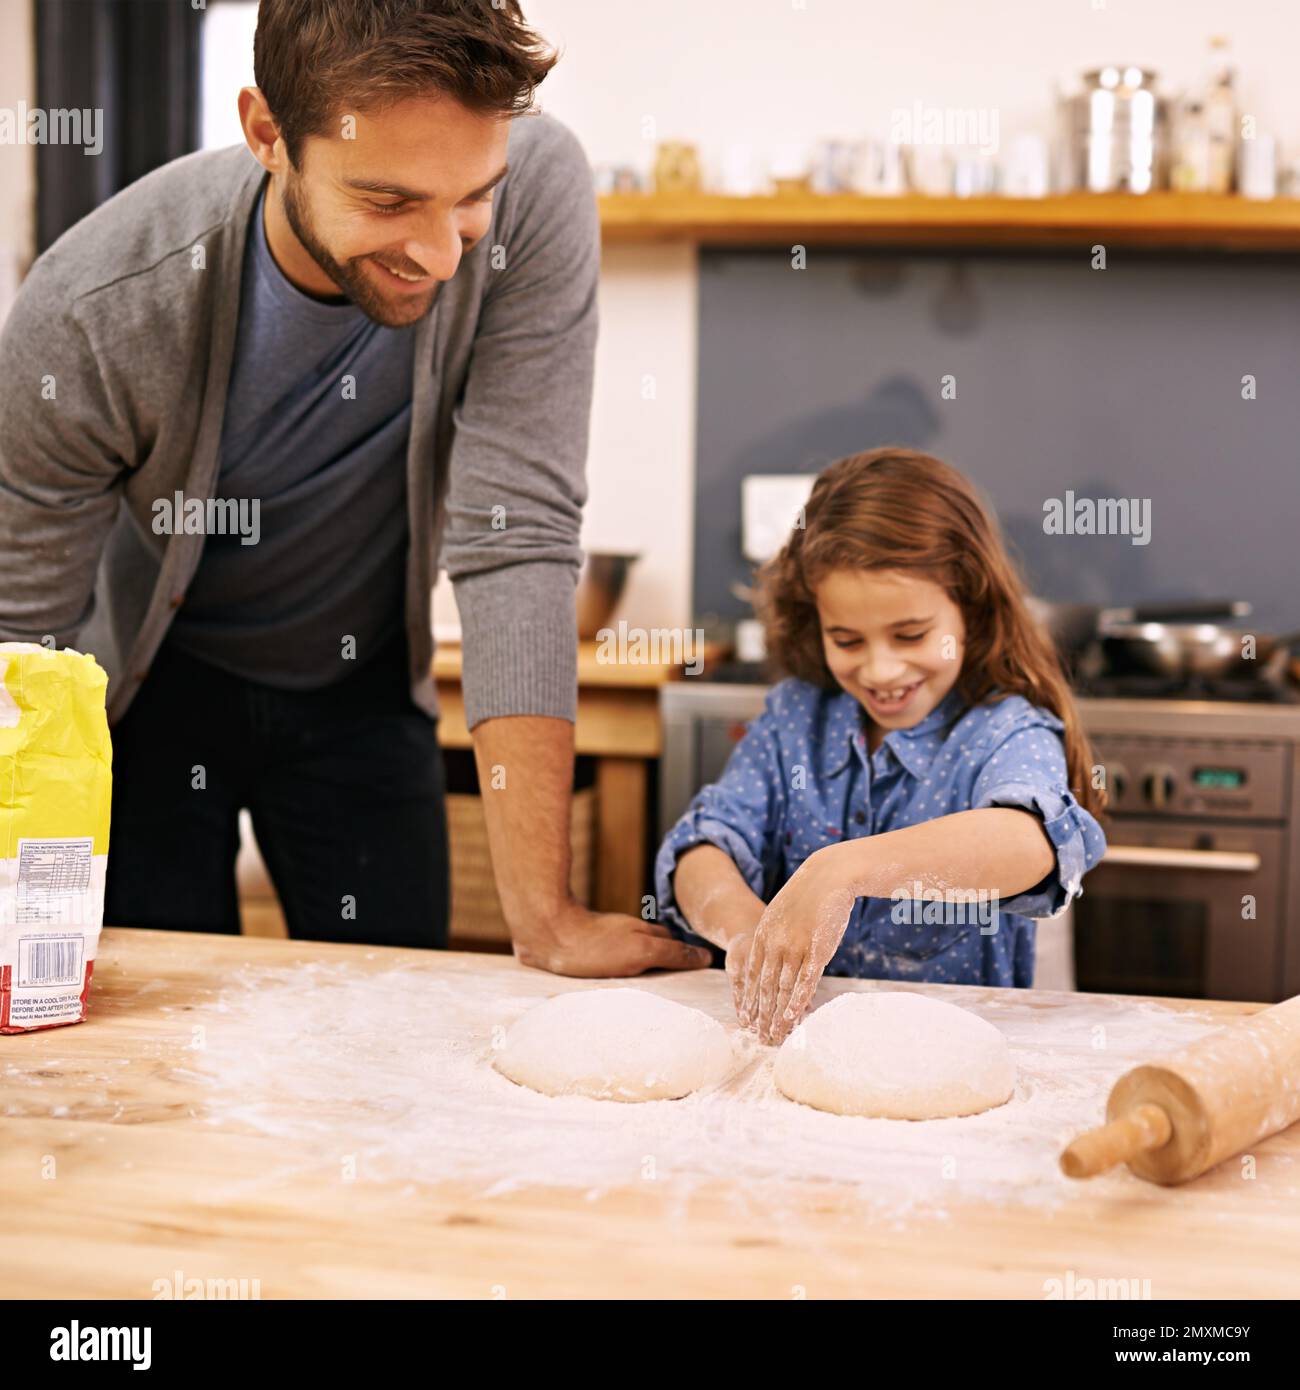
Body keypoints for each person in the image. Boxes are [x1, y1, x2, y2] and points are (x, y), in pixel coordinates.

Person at [0, 0, 708, 979]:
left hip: (362, 681)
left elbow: (517, 528)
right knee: (156, 1027)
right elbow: (20, 644)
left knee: (394, 1025)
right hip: (151, 702)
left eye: (471, 197)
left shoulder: (538, 185)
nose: (444, 253)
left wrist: (544, 916)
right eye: (387, 202)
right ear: (267, 134)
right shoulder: (90, 314)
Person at [654, 447, 1108, 1042]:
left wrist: (843, 870)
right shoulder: (797, 719)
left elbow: (1033, 841)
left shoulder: (1003, 729)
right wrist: (750, 938)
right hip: (795, 1064)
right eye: (847, 639)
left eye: (910, 634)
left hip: (949, 1065)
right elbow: (699, 849)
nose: (881, 669)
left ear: (969, 608)